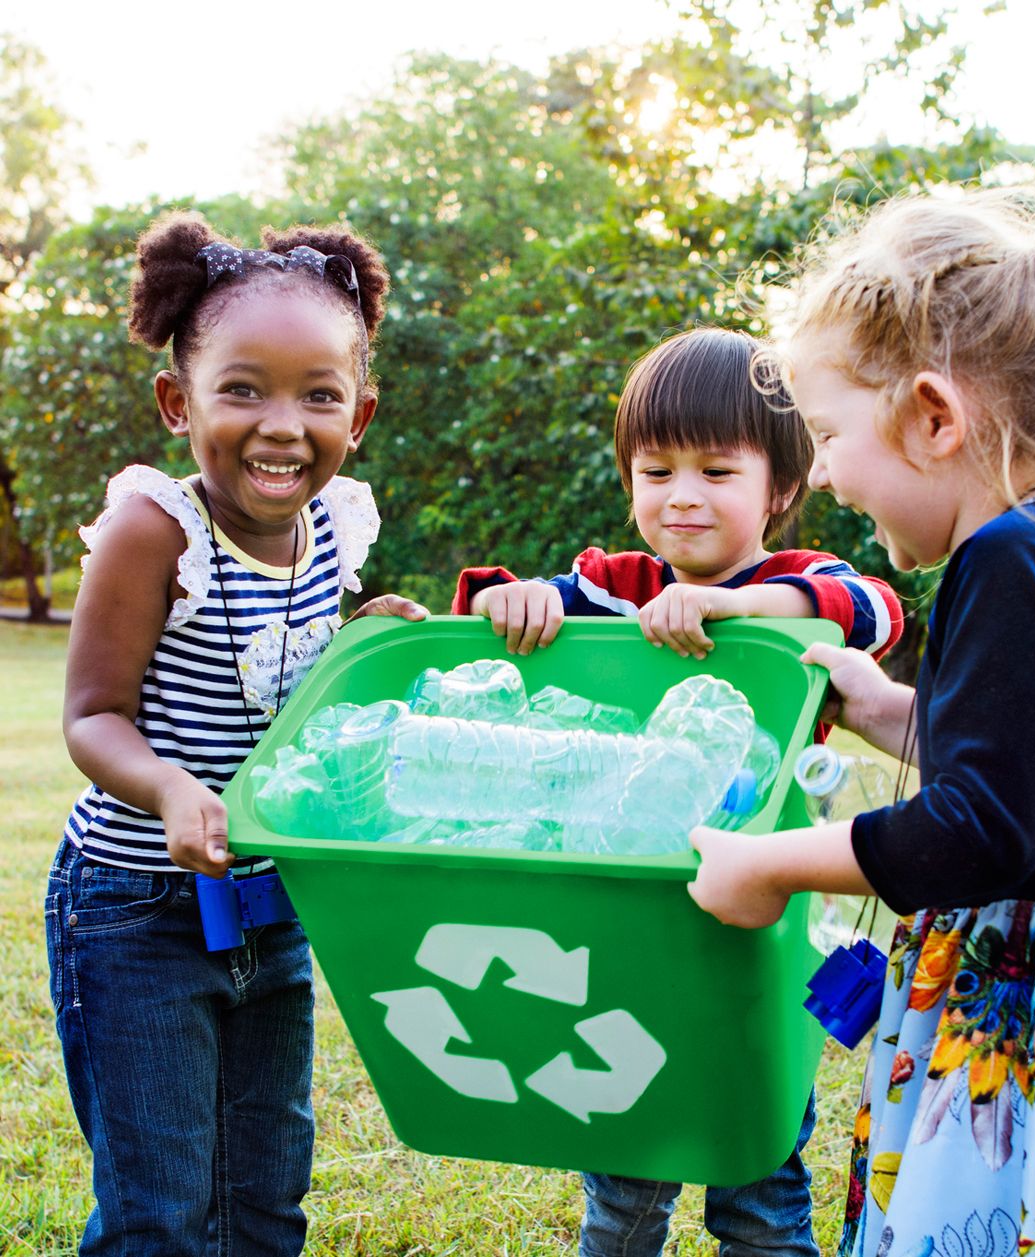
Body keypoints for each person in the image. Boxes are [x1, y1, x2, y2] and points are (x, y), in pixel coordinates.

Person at [687, 185, 1035, 1255]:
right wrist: (889, 708)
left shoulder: (1009, 559)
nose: (827, 474)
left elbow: (981, 830)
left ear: (934, 417)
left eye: (827, 435)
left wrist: (768, 865)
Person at [455, 326, 904, 1257]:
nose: (682, 496)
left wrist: (730, 604)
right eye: (655, 471)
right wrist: (514, 601)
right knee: (624, 1163)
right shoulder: (615, 589)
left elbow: (869, 608)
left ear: (779, 487)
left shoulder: (794, 584)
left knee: (759, 1178)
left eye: (715, 470)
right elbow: (504, 613)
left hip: (757, 935)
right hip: (624, 927)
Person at [50, 211, 425, 1256]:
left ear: (360, 413)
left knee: (268, 1186)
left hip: (271, 906)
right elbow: (91, 716)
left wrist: (360, 643)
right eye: (242, 388)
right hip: (139, 912)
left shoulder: (333, 527)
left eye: (319, 394)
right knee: (163, 1208)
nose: (280, 424)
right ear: (180, 402)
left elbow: (283, 687)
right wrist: (170, 790)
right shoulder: (153, 529)